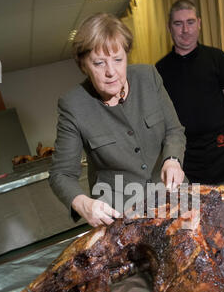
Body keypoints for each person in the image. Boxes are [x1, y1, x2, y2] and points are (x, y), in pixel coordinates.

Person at [49, 13, 186, 227]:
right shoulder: (73, 106)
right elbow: (61, 174)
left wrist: (173, 159)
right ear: (84, 65)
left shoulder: (148, 76)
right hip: (121, 212)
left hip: (173, 195)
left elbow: (174, 130)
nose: (111, 72)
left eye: (118, 59)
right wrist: (83, 203)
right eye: (99, 63)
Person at [156, 0, 224, 184]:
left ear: (199, 23)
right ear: (169, 27)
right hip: (187, 157)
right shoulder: (160, 70)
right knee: (197, 210)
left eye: (190, 22)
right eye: (178, 24)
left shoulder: (217, 58)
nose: (185, 30)